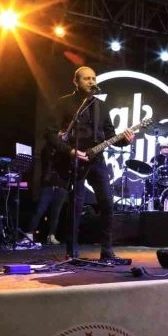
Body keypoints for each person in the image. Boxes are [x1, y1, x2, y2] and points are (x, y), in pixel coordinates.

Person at [44, 66, 133, 262]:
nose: (92, 81)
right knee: (76, 205)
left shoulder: (101, 106)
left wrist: (125, 140)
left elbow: (110, 136)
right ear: (75, 82)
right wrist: (70, 151)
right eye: (87, 78)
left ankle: (107, 251)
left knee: (107, 202)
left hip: (96, 160)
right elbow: (50, 134)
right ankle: (72, 251)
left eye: (93, 78)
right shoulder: (64, 103)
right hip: (73, 159)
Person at [24, 142, 68, 245]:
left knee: (56, 214)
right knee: (39, 211)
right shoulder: (48, 149)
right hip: (47, 186)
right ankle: (29, 234)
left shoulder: (66, 151)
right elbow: (47, 157)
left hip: (61, 187)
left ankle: (51, 236)